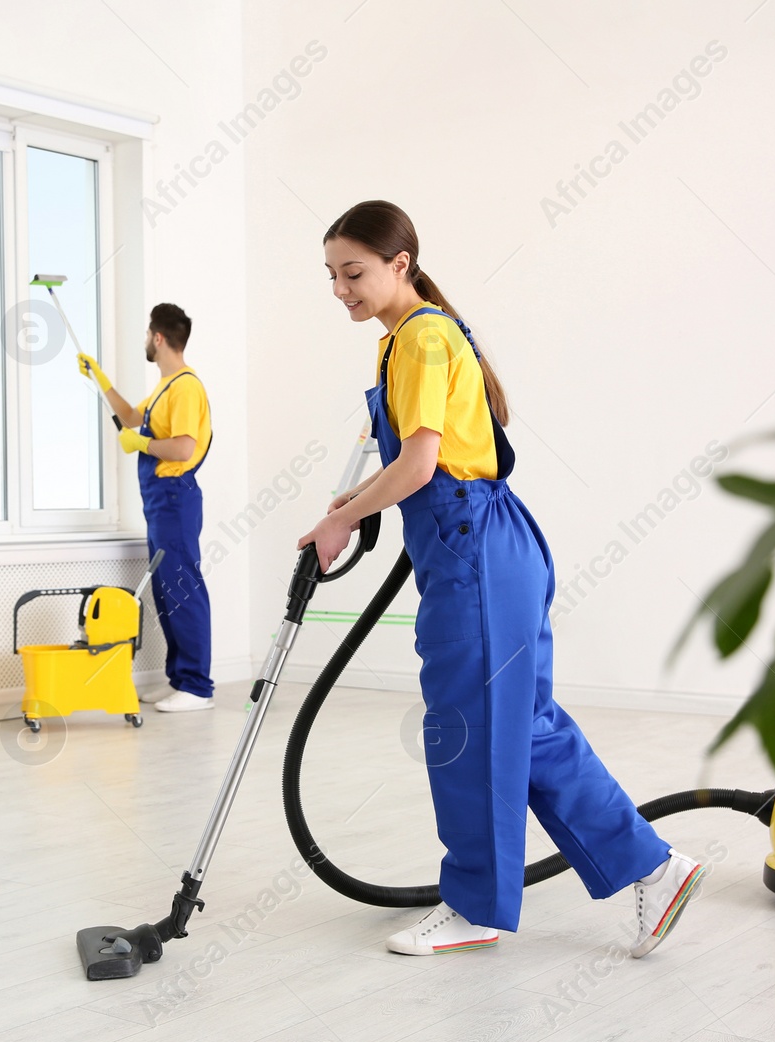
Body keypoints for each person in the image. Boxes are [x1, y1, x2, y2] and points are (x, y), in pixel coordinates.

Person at [299, 201, 705, 957]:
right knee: (526, 729)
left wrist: (342, 519)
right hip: (493, 544)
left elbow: (421, 467)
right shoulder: (413, 337)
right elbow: (424, 461)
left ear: (400, 264)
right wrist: (353, 502)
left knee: (469, 731)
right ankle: (657, 868)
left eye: (352, 272)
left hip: (473, 550)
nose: (339, 289)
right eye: (330, 274)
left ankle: (476, 905)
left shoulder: (420, 337)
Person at [79, 303, 214, 712]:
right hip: (160, 500)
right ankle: (180, 680)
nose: (145, 342)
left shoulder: (186, 386)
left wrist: (141, 444)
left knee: (181, 587)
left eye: (146, 335)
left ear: (158, 337)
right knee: (165, 589)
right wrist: (100, 379)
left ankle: (197, 687)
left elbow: (184, 446)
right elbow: (132, 416)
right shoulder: (165, 386)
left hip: (175, 496)